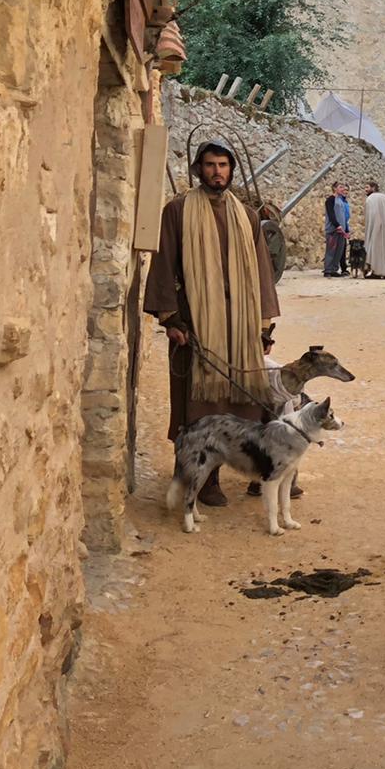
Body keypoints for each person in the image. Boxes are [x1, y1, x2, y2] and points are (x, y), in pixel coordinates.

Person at [143, 141, 280, 506]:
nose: (217, 171)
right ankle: (205, 479)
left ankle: (261, 471)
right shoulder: (177, 211)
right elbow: (164, 265)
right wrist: (171, 319)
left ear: (231, 170)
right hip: (196, 326)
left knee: (248, 402)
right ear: (197, 169)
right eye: (209, 165)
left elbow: (263, 273)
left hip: (240, 325)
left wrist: (264, 325)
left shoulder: (248, 216)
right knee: (199, 407)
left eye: (223, 165)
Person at [362, 181, 385, 279]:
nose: (365, 190)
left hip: (376, 227)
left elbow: (372, 216)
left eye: (367, 187)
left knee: (376, 249)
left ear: (373, 188)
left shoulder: (371, 199)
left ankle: (377, 272)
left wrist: (371, 229)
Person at [323, 182, 350, 278]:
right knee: (331, 250)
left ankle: (334, 269)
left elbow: (344, 216)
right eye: (340, 187)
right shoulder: (330, 199)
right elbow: (331, 214)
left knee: (339, 250)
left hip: (341, 231)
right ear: (334, 188)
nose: (343, 189)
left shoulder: (342, 201)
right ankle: (328, 270)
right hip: (333, 230)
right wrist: (337, 225)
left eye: (343, 187)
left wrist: (346, 229)